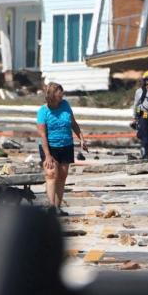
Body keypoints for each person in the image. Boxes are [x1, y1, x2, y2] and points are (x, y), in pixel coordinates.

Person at [37, 82, 87, 215]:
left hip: (66, 145)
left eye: (62, 95)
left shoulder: (65, 105)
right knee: (51, 174)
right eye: (59, 95)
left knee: (62, 175)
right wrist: (47, 155)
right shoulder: (43, 111)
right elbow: (42, 135)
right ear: (52, 96)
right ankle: (51, 207)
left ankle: (58, 207)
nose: (62, 98)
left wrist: (81, 138)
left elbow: (73, 123)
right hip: (49, 146)